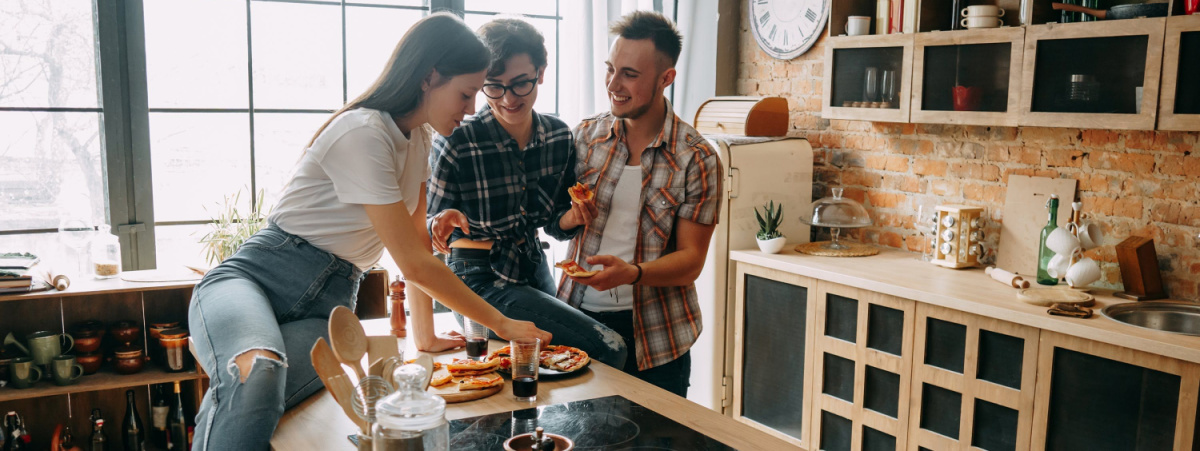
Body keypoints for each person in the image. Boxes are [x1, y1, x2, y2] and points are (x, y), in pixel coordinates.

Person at [186, 14, 551, 451]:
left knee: (258, 400)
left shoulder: (418, 141)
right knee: (258, 374)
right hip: (253, 280)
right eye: (466, 93)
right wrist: (501, 322)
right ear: (429, 77)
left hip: (328, 309)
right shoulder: (364, 132)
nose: (472, 108)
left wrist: (425, 337)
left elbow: (416, 247)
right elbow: (414, 262)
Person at [426, 18, 627, 367]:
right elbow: (424, 232)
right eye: (493, 87)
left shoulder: (558, 136)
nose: (508, 99)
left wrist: (573, 216)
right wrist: (439, 223)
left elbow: (552, 223)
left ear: (541, 72)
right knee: (609, 347)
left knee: (562, 362)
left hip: (532, 268)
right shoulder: (456, 139)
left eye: (521, 84)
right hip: (474, 279)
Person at [558, 11, 723, 397]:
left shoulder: (696, 158)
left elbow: (691, 262)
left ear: (666, 78)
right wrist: (568, 217)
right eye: (610, 69)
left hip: (657, 338)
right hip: (578, 321)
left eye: (629, 74)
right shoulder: (585, 137)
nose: (613, 84)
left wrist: (630, 273)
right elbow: (553, 219)